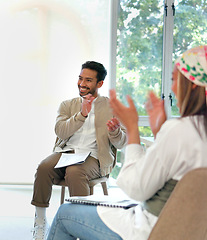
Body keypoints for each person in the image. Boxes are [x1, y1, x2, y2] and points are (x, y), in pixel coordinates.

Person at [47, 45, 207, 240]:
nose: (173, 88)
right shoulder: (186, 131)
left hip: (152, 230)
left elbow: (135, 188)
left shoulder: (181, 130)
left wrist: (132, 130)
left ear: (191, 84)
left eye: (175, 80)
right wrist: (160, 132)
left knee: (65, 213)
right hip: (191, 230)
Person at [31, 61, 127, 240]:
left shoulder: (112, 107)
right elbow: (60, 131)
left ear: (99, 84)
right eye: (80, 78)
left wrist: (115, 133)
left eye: (88, 80)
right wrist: (81, 114)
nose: (82, 84)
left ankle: (80, 226)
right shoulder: (68, 105)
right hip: (66, 153)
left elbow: (123, 142)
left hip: (94, 157)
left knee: (75, 172)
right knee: (44, 167)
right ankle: (41, 221)